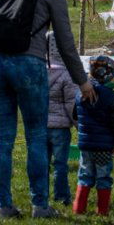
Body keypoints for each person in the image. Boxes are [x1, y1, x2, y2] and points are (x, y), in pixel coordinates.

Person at [0, 0, 96, 219]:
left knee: (3, 138)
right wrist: (82, 82)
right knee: (35, 136)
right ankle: (40, 205)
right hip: (29, 67)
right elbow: (65, 43)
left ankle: (4, 206)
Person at [73, 56, 114, 217]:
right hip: (103, 148)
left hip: (85, 145)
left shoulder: (80, 94)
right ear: (111, 75)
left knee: (84, 175)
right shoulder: (112, 98)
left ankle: (78, 209)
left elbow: (74, 115)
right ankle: (102, 212)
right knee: (103, 177)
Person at [46, 31, 79, 207]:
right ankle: (61, 197)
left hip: (39, 127)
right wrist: (81, 127)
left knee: (41, 163)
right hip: (60, 129)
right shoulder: (67, 74)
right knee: (60, 164)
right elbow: (72, 105)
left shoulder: (37, 71)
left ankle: (40, 196)